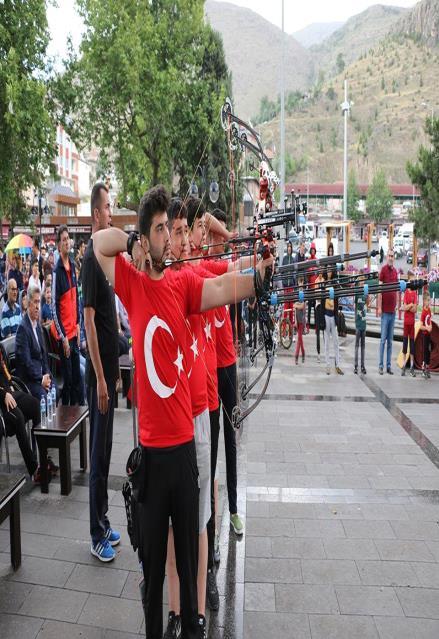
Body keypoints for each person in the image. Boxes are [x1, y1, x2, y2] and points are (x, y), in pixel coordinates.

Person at [91, 185, 271, 639]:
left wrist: (260, 276)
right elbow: (97, 244)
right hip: (150, 459)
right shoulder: (131, 285)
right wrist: (129, 242)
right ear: (147, 237)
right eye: (158, 230)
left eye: (166, 230)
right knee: (153, 575)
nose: (169, 240)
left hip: (184, 453)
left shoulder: (181, 282)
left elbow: (218, 286)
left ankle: (191, 626)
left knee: (191, 564)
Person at [82, 183, 121, 563]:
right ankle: (95, 534)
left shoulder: (103, 256)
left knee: (107, 452)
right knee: (97, 457)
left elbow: (110, 323)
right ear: (97, 214)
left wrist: (116, 372)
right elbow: (89, 322)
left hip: (109, 371)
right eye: (108, 208)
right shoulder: (91, 260)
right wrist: (101, 379)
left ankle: (104, 520)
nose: (111, 213)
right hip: (99, 380)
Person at [0, 346, 42, 481]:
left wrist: (10, 385)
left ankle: (41, 456)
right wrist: (4, 394)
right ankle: (34, 469)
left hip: (9, 391)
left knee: (35, 405)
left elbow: (4, 372)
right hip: (1, 399)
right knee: (18, 418)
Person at [52, 225, 81, 406]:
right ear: (58, 245)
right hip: (64, 337)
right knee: (68, 382)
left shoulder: (72, 265)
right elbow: (54, 309)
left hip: (74, 332)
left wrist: (78, 324)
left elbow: (76, 298)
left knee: (77, 379)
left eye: (67, 239)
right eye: (63, 240)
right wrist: (63, 338)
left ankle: (77, 417)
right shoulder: (57, 272)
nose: (66, 242)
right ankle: (67, 418)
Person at [15, 286, 52, 400]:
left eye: (39, 302)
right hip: (29, 380)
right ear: (28, 304)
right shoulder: (23, 329)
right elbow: (27, 363)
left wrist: (47, 376)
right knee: (46, 398)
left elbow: (43, 355)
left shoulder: (37, 326)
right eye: (35, 302)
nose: (37, 307)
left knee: (55, 389)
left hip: (40, 376)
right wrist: (41, 379)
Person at [378, 249, 398, 375]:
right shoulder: (383, 271)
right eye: (389, 255)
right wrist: (379, 307)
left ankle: (388, 366)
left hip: (393, 312)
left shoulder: (396, 272)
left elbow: (396, 289)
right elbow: (380, 290)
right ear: (386, 257)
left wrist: (397, 305)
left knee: (390, 341)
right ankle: (381, 366)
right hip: (385, 311)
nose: (391, 257)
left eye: (392, 256)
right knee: (382, 340)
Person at [324, 269, 344, 375]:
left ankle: (337, 365)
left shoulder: (335, 284)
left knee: (336, 342)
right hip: (326, 315)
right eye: (327, 271)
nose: (329, 273)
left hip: (333, 316)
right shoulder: (323, 283)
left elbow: (337, 299)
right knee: (327, 342)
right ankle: (327, 365)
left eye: (330, 271)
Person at [401, 270, 417, 377]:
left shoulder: (415, 294)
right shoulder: (406, 293)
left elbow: (415, 310)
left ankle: (411, 367)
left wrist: (409, 306)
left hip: (412, 324)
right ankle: (403, 366)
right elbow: (404, 307)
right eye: (411, 280)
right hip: (406, 323)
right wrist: (410, 305)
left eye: (414, 280)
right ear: (408, 280)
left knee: (412, 346)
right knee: (404, 346)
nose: (413, 282)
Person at [354, 279, 368, 375]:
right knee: (356, 346)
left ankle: (362, 365)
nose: (362, 284)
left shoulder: (365, 293)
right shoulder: (357, 293)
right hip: (358, 323)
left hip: (364, 323)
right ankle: (356, 365)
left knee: (363, 346)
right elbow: (355, 306)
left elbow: (367, 305)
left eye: (363, 282)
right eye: (361, 282)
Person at [420, 291, 432, 379]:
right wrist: (426, 328)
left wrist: (430, 326)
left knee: (428, 351)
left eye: (429, 300)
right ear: (424, 301)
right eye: (428, 300)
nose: (429, 302)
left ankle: (427, 368)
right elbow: (421, 326)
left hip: (429, 335)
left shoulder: (429, 310)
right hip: (424, 334)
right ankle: (423, 369)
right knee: (424, 352)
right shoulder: (423, 312)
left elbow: (429, 320)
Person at [294, 276, 306, 365]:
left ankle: (297, 357)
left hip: (302, 319)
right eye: (299, 282)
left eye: (301, 282)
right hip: (297, 319)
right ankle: (303, 354)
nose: (300, 284)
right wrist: (295, 320)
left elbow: (302, 306)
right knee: (300, 339)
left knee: (299, 339)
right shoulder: (296, 294)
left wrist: (297, 305)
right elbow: (294, 306)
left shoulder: (304, 294)